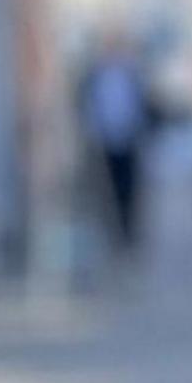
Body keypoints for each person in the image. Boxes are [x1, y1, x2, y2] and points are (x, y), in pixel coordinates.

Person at [75, 32, 155, 267]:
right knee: (105, 192)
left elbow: (142, 105)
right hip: (104, 143)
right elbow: (85, 105)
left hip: (127, 140)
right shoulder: (94, 75)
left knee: (128, 191)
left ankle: (128, 237)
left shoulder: (131, 74)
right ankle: (111, 237)